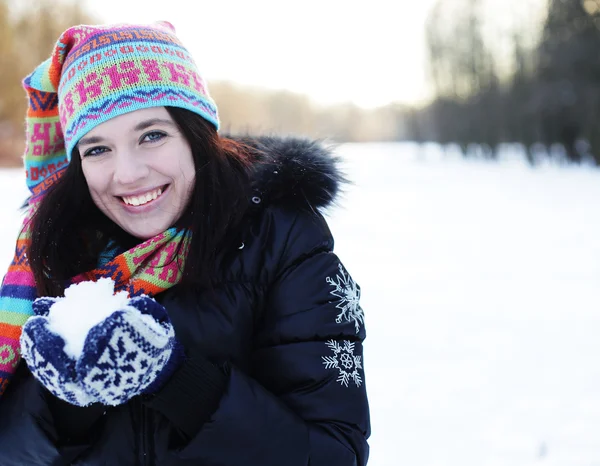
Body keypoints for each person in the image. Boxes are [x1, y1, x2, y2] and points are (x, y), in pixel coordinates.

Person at [0, 21, 370, 465]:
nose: (128, 173)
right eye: (98, 149)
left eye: (151, 135)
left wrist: (174, 379)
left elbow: (333, 455)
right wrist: (61, 404)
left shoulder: (285, 243)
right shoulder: (55, 252)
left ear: (197, 136)